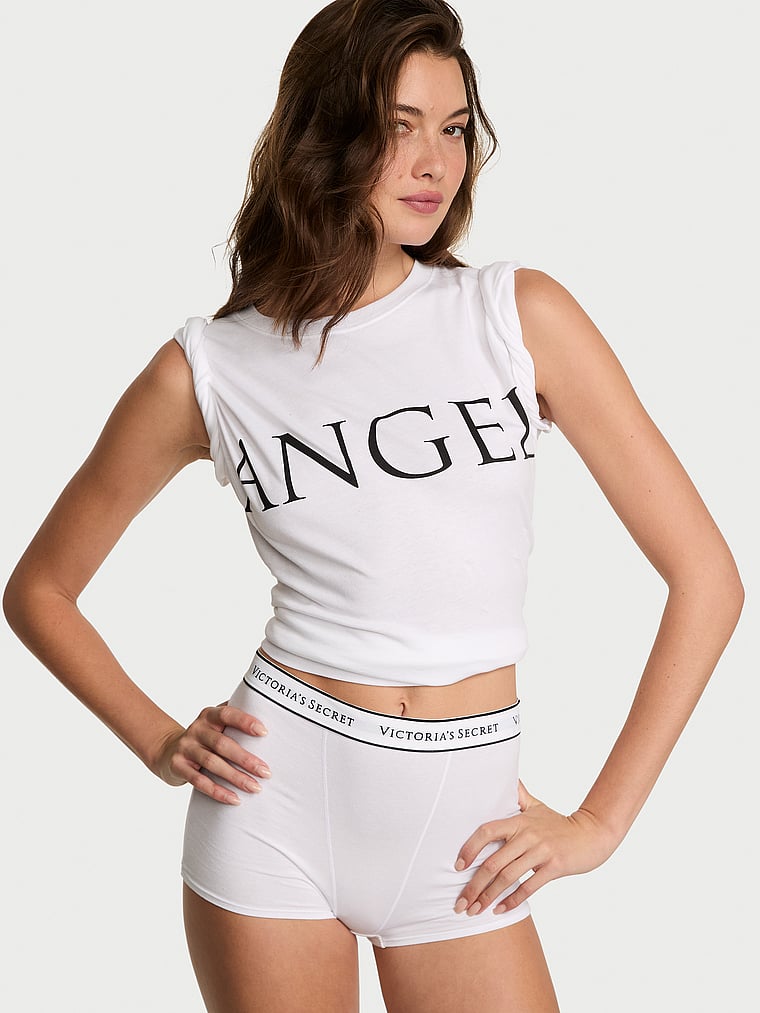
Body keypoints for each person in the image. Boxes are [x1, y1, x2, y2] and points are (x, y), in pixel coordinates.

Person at [2, 0, 744, 1010]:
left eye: (454, 128)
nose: (436, 162)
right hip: (272, 811)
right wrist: (158, 738)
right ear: (326, 134)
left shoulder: (515, 315)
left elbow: (706, 577)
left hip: (467, 832)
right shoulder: (210, 368)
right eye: (401, 127)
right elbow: (40, 588)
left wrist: (602, 822)